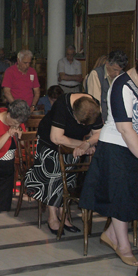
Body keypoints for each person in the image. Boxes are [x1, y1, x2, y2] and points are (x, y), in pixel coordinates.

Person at [79, 43, 138, 267]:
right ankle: (122, 245)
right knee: (120, 199)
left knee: (134, 197)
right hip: (115, 146)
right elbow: (125, 128)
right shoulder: (122, 84)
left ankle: (111, 234)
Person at [25, 94, 103, 233]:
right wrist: (83, 145)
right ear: (74, 112)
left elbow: (99, 132)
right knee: (53, 178)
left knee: (68, 179)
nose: (82, 126)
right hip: (50, 143)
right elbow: (56, 138)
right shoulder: (62, 105)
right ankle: (52, 217)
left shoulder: (93, 107)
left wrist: (87, 143)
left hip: (73, 144)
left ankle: (63, 214)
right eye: (80, 122)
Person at [84, 50, 128, 120]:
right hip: (101, 120)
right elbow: (95, 104)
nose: (117, 74)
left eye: (120, 70)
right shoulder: (96, 75)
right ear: (107, 63)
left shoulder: (122, 75)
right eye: (115, 69)